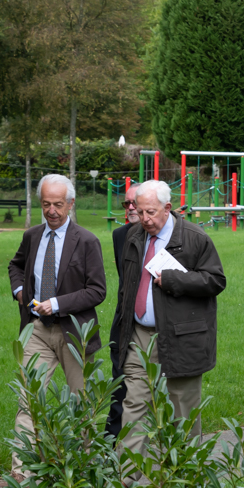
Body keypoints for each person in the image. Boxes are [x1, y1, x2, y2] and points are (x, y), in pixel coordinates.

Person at [6, 173, 107, 485]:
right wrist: (20, 291)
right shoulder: (33, 236)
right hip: (36, 329)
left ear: (71, 204)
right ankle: (22, 474)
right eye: (46, 204)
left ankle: (87, 469)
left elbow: (97, 291)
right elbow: (15, 265)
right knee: (29, 399)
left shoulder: (87, 241)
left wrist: (58, 303)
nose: (52, 211)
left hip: (73, 331)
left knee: (83, 402)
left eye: (58, 205)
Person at [115, 180, 226, 454]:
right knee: (134, 405)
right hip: (139, 335)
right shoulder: (134, 237)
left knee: (183, 409)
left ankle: (185, 479)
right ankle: (123, 480)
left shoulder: (194, 238)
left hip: (181, 336)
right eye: (139, 212)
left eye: (150, 212)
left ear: (167, 208)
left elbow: (216, 281)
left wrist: (175, 279)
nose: (144, 219)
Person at [106, 185, 139, 438]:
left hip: (158, 325)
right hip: (124, 324)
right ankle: (110, 448)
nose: (129, 208)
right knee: (120, 388)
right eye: (125, 204)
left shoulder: (172, 235)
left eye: (134, 203)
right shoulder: (120, 235)